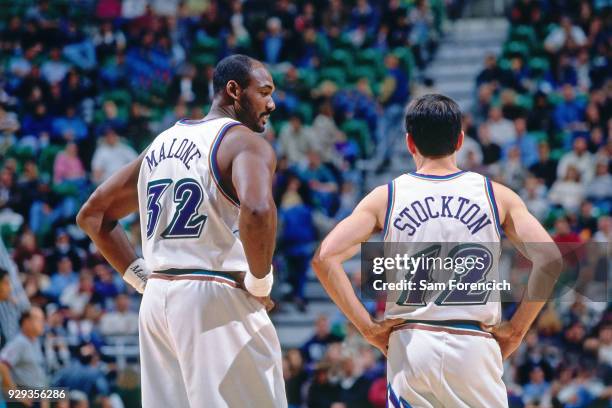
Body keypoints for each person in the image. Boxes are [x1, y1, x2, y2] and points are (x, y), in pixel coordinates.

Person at [312, 94, 562, 407]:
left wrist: (368, 329)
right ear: (460, 141)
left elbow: (324, 259)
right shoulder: (496, 195)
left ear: (409, 143)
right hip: (475, 345)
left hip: (413, 344)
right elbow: (551, 259)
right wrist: (515, 330)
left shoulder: (386, 197)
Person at [77, 54, 287, 407]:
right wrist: (260, 281)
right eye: (264, 91)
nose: (272, 103)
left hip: (158, 300)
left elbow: (93, 215)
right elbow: (258, 209)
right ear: (233, 91)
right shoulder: (244, 142)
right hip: (214, 295)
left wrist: (140, 277)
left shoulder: (160, 143)